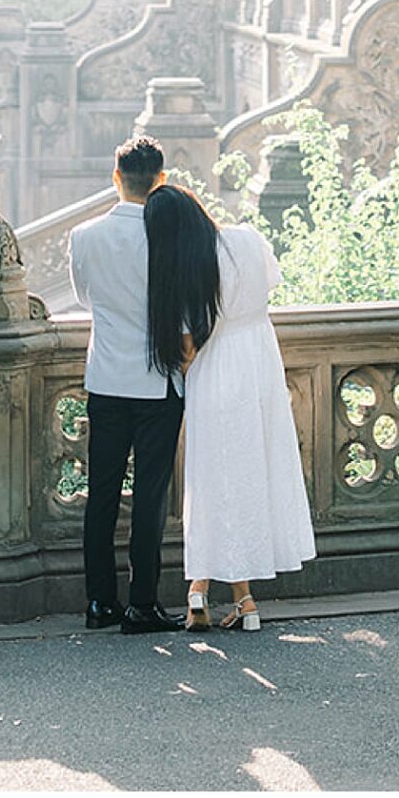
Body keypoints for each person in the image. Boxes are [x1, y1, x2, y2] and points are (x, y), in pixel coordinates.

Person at [144, 182, 315, 632]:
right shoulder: (246, 240)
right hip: (259, 365)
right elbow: (267, 288)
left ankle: (212, 592)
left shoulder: (185, 271)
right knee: (250, 476)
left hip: (216, 373)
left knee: (213, 482)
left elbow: (187, 347)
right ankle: (232, 598)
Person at [68, 135, 185, 634]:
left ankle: (99, 602)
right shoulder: (169, 237)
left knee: (102, 495)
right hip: (157, 382)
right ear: (160, 180)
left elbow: (84, 300)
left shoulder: (84, 236)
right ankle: (142, 604)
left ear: (115, 178)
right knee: (150, 499)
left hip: (106, 379)